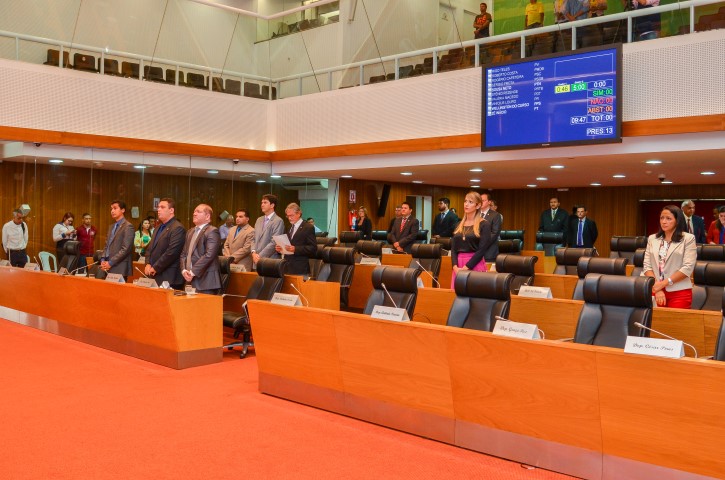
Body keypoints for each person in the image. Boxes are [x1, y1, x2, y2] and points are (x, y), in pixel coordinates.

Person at [642, 205, 696, 309]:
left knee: (675, 325)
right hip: (655, 290)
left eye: (668, 218)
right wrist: (657, 288)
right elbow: (647, 266)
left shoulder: (688, 239)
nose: (664, 221)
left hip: (679, 292)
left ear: (677, 220)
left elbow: (687, 268)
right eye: (662, 218)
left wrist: (663, 284)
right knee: (652, 324)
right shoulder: (652, 239)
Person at [450, 192, 494, 288]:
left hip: (474, 264)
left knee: (475, 297)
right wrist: (455, 267)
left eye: (470, 202)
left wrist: (466, 267)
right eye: (465, 201)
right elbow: (453, 249)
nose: (466, 204)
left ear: (478, 206)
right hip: (458, 265)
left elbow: (482, 250)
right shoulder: (458, 225)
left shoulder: (484, 224)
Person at [144, 198, 186, 289]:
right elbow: (149, 248)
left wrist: (155, 268)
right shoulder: (158, 227)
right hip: (154, 275)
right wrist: (147, 263)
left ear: (171, 210)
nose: (158, 210)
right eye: (158, 207)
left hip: (169, 277)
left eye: (162, 207)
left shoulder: (177, 228)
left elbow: (171, 253)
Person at [180, 204, 222, 294]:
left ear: (207, 216)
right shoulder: (190, 232)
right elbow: (184, 254)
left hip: (206, 282)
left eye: (198, 212)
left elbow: (209, 255)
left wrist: (192, 272)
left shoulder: (212, 231)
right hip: (189, 280)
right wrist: (184, 270)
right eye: (194, 211)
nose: (194, 214)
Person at [275, 203, 316, 275]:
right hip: (287, 267)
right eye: (288, 216)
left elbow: (313, 248)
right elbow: (287, 244)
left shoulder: (308, 227)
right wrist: (280, 249)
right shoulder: (289, 227)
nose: (289, 218)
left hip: (300, 268)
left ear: (299, 214)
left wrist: (295, 249)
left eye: (291, 215)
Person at [100, 200, 135, 278]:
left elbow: (126, 249)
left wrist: (111, 263)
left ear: (123, 210)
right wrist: (102, 259)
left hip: (120, 267)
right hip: (107, 266)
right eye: (111, 209)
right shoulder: (111, 226)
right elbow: (107, 245)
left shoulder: (128, 226)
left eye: (115, 208)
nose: (112, 211)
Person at [251, 194, 285, 266]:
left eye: (265, 202)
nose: (262, 205)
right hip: (256, 259)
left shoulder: (278, 221)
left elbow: (274, 242)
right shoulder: (259, 220)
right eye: (261, 203)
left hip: (270, 260)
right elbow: (253, 238)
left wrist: (259, 256)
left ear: (272, 205)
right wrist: (253, 253)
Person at [480, 192, 502, 265]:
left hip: (489, 252)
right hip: (475, 252)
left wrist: (482, 243)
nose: (481, 202)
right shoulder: (475, 214)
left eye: (483, 200)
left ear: (489, 202)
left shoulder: (495, 215)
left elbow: (494, 233)